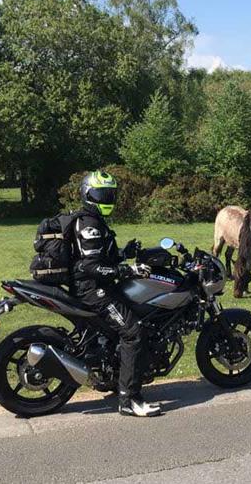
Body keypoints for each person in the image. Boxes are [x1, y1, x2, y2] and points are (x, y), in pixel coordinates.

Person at [72, 170, 161, 417]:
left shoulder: (94, 221)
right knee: (133, 332)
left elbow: (100, 258)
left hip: (99, 286)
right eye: (102, 194)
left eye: (110, 194)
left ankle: (116, 376)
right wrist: (127, 269)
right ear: (89, 195)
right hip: (93, 290)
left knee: (131, 323)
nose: (107, 199)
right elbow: (91, 266)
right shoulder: (89, 224)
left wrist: (124, 253)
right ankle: (129, 399)